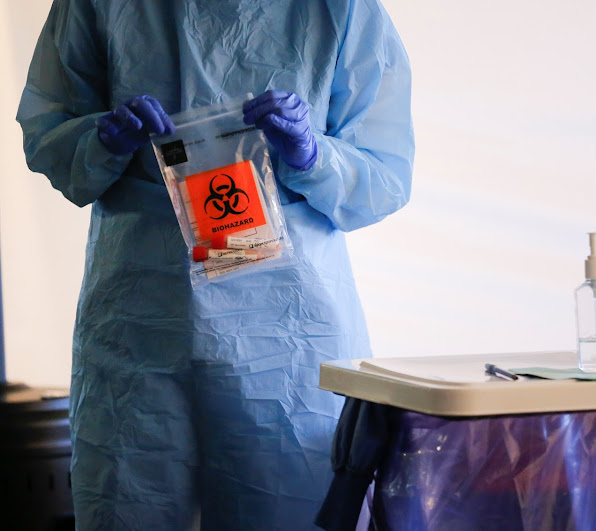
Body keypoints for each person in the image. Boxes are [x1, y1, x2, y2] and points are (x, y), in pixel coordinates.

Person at [16, 0, 413, 529]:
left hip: (287, 328)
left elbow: (382, 177)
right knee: (134, 497)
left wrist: (311, 154)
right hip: (140, 319)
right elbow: (50, 131)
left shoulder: (338, 10)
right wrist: (103, 138)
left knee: (294, 498)